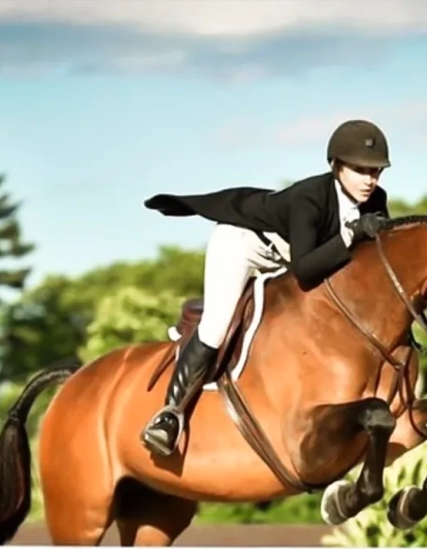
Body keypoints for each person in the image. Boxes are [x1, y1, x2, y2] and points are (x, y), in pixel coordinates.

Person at [137, 119, 393, 457]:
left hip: (288, 258)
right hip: (243, 245)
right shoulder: (310, 197)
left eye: (376, 171)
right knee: (217, 324)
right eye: (360, 170)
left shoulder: (377, 199)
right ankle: (169, 415)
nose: (370, 179)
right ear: (335, 166)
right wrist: (351, 235)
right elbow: (304, 270)